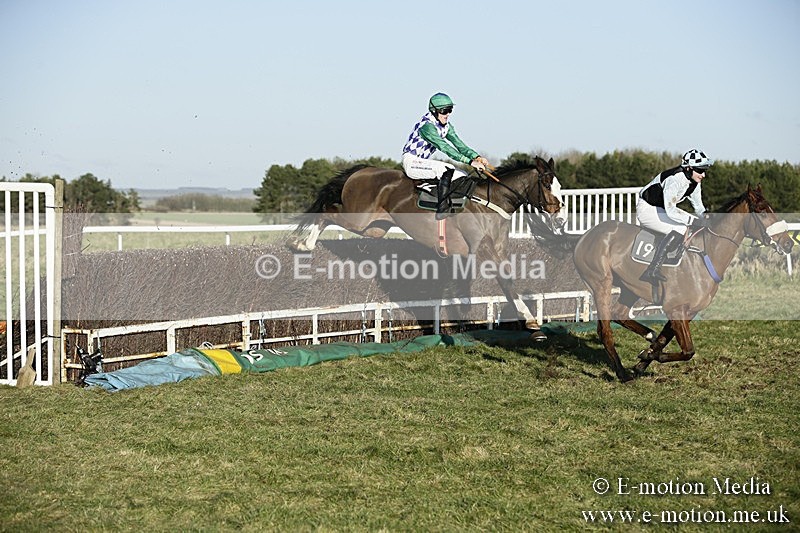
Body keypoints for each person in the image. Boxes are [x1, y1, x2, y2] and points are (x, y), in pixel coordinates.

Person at [402, 92, 490, 219]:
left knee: (462, 175)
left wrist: (476, 157)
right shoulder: (427, 126)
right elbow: (445, 147)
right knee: (446, 169)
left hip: (423, 163)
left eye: (450, 110)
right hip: (412, 162)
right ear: (434, 111)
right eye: (445, 111)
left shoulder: (446, 126)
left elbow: (459, 145)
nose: (448, 114)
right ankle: (442, 207)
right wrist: (470, 162)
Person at [637, 149, 713, 282]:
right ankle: (653, 270)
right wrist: (694, 220)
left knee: (690, 226)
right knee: (682, 228)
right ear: (689, 168)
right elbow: (671, 210)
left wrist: (708, 218)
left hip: (660, 209)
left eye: (704, 170)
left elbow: (699, 207)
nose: (703, 175)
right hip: (647, 210)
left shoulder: (695, 182)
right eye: (700, 170)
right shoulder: (674, 180)